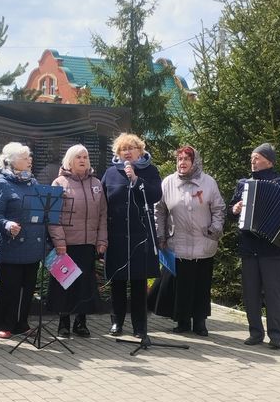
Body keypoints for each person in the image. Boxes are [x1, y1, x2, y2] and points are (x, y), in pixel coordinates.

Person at [154, 146, 226, 336]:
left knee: (201, 285)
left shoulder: (208, 182)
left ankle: (200, 322)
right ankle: (182, 321)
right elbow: (159, 211)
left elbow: (219, 208)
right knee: (182, 285)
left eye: (187, 159)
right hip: (178, 243)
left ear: (195, 162)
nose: (182, 163)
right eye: (179, 159)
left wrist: (215, 229)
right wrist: (161, 235)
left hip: (204, 242)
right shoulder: (168, 182)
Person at [229, 143, 280, 349]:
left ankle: (276, 336)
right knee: (251, 294)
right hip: (249, 248)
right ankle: (255, 333)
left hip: (273, 250)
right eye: (251, 158)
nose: (253, 161)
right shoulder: (243, 184)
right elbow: (231, 212)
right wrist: (235, 209)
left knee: (273, 294)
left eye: (257, 157)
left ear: (269, 161)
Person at [101, 133, 162, 338]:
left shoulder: (150, 171)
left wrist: (136, 179)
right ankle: (116, 322)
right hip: (116, 236)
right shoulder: (110, 173)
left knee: (138, 283)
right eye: (123, 149)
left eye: (131, 148)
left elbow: (156, 195)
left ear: (140, 150)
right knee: (117, 282)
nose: (127, 152)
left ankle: (139, 327)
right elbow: (102, 202)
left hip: (140, 236)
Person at [48, 145, 107, 337]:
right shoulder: (59, 183)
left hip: (88, 244)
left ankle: (81, 322)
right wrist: (59, 241)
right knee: (65, 283)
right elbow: (53, 216)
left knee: (85, 285)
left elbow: (103, 214)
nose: (82, 160)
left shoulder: (96, 183)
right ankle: (63, 322)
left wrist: (101, 240)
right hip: (67, 245)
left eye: (85, 157)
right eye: (78, 157)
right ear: (69, 160)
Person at [0, 142, 44, 339]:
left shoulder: (33, 182)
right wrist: (7, 224)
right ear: (11, 161)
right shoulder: (2, 183)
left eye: (29, 157)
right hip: (11, 246)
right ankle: (3, 324)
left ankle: (22, 324)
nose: (29, 160)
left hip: (32, 245)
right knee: (9, 287)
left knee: (27, 288)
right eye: (24, 157)